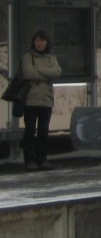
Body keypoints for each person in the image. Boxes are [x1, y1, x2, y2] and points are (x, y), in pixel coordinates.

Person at [20, 29, 62, 171]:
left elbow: (57, 72)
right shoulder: (28, 57)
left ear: (47, 43)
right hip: (31, 100)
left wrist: (38, 70)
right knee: (30, 130)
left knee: (44, 131)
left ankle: (42, 159)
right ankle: (29, 160)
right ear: (33, 41)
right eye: (37, 40)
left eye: (43, 40)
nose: (40, 43)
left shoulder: (52, 58)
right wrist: (46, 74)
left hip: (46, 100)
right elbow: (28, 73)